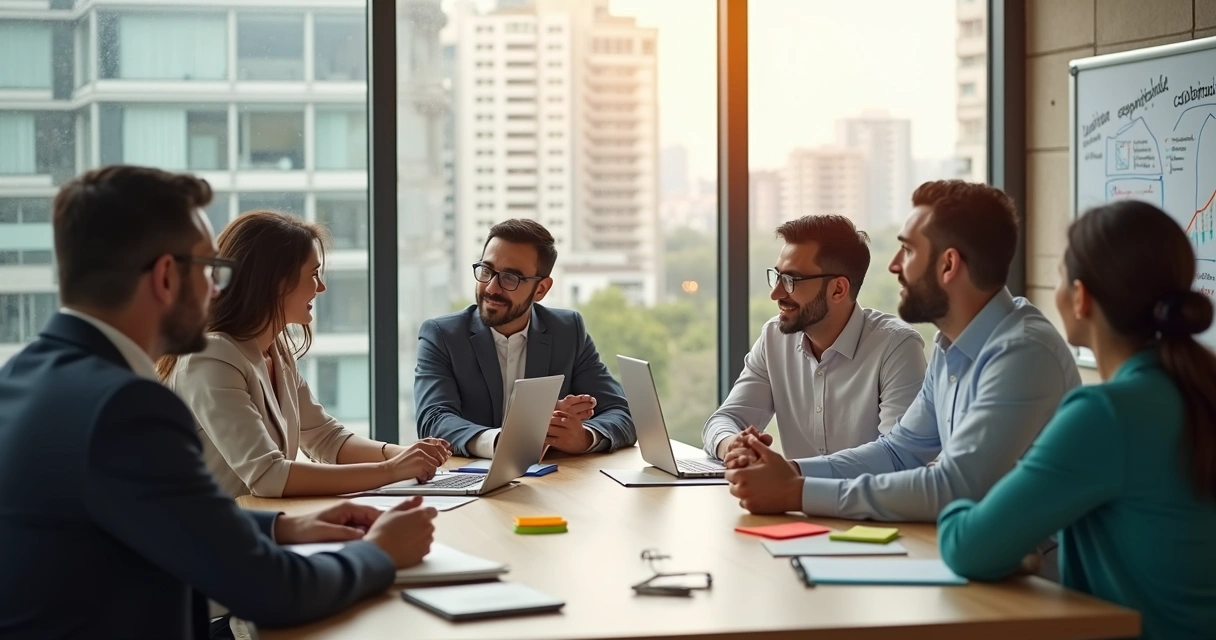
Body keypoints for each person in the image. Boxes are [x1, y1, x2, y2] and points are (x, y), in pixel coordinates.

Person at [0, 166, 437, 639]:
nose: (217, 288)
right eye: (211, 270)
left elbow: (163, 519)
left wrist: (284, 529)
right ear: (167, 276)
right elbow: (270, 589)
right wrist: (379, 552)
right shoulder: (125, 407)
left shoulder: (24, 377)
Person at [939, 200, 1216, 639]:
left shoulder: (1106, 414)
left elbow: (968, 547)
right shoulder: (1198, 388)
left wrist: (954, 498)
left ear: (1081, 297)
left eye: (1059, 276)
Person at [725, 180, 1081, 521]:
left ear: (948, 265)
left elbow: (956, 487)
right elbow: (898, 452)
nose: (894, 264)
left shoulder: (1022, 354)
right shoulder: (950, 347)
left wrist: (796, 492)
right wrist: (789, 471)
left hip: (1036, 579)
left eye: (908, 250)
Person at [162, 210, 451, 498]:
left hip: (257, 527)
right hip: (206, 537)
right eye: (314, 275)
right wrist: (391, 471)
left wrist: (407, 456)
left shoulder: (275, 351)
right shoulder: (210, 357)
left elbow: (326, 438)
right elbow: (268, 476)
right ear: (276, 282)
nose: (322, 287)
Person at [704, 215, 926, 461]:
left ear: (838, 289)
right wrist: (733, 445)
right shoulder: (774, 338)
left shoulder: (896, 347)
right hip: (791, 499)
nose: (775, 293)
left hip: (865, 499)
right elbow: (726, 419)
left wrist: (794, 475)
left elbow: (897, 457)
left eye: (790, 280)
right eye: (777, 276)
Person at [415, 219, 635, 457]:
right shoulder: (442, 336)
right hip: (472, 482)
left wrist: (583, 437)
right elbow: (433, 420)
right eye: (487, 270)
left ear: (540, 289)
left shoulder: (568, 331)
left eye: (510, 277)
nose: (491, 288)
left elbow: (623, 413)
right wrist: (503, 441)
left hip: (553, 483)